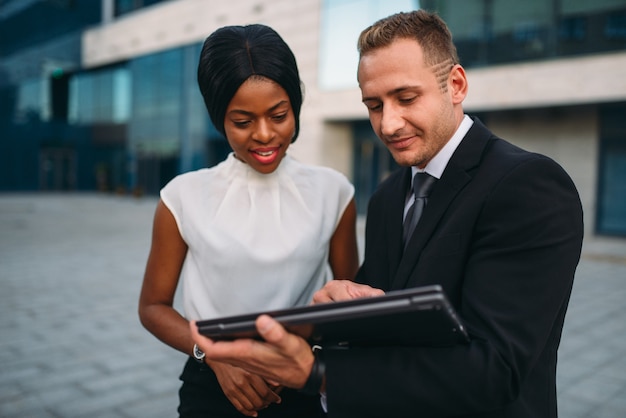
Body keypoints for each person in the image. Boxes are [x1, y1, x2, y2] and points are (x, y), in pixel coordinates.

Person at [189, 10, 585, 418]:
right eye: (374, 105)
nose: (389, 123)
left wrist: (319, 372)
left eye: (406, 98)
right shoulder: (387, 197)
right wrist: (342, 305)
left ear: (456, 84)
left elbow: (495, 370)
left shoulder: (527, 185)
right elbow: (382, 324)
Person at [138, 23, 359, 418]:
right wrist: (216, 357)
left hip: (305, 382)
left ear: (296, 106)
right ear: (218, 118)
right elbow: (153, 307)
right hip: (214, 386)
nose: (264, 135)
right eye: (242, 121)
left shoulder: (334, 191)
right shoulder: (182, 197)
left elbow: (350, 303)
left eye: (279, 115)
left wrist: (308, 346)